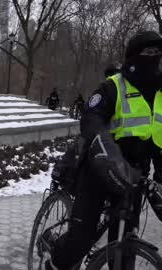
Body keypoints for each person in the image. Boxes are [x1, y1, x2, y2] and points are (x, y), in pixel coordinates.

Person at [45, 31, 162, 270]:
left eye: (159, 53)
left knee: (125, 246)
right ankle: (54, 263)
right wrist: (111, 158)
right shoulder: (113, 87)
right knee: (81, 238)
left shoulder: (160, 94)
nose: (155, 57)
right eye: (149, 52)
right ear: (132, 57)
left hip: (134, 178)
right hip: (99, 171)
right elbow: (91, 122)